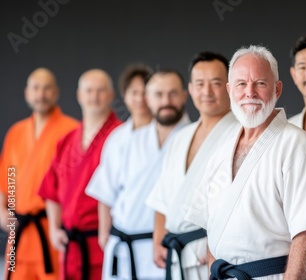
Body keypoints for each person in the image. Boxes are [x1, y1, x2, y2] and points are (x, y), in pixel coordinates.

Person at [185, 45, 306, 279]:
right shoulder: (220, 152)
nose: (250, 92)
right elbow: (213, 226)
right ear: (230, 90)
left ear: (277, 89)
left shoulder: (300, 147)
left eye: (260, 83)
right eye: (241, 84)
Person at [86, 69, 190, 280]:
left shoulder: (192, 135)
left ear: (184, 95)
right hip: (124, 244)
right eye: (158, 94)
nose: (165, 101)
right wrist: (104, 234)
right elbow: (106, 190)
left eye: (172, 93)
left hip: (166, 246)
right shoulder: (125, 138)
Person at [146, 51, 239, 280]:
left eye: (215, 83)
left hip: (216, 254)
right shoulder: (180, 137)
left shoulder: (240, 134)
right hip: (178, 252)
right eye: (199, 84)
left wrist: (216, 247)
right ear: (190, 89)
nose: (206, 92)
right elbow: (163, 196)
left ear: (229, 87)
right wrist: (158, 237)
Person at [37, 69, 122, 280]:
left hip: (105, 243)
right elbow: (51, 190)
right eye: (89, 91)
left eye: (101, 91)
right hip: (71, 245)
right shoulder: (67, 140)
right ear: (79, 95)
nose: (94, 97)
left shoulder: (122, 136)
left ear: (111, 96)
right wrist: (54, 229)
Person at [0, 68, 78, 280]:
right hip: (20, 231)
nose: (41, 94)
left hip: (52, 231)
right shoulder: (16, 132)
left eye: (46, 88)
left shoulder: (71, 130)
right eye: (35, 88)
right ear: (27, 93)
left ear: (56, 92)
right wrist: (2, 210)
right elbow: (9, 177)